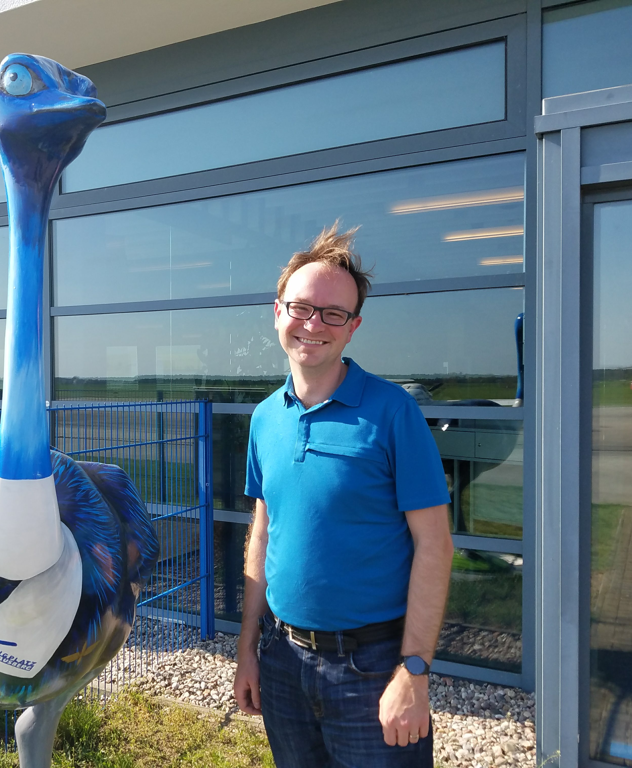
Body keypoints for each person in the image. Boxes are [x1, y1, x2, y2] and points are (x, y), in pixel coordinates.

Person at [233, 224, 454, 768]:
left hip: (373, 669)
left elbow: (435, 546)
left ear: (353, 328)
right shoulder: (265, 419)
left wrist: (414, 672)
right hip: (282, 660)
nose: (315, 324)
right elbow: (264, 530)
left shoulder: (393, 413)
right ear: (278, 312)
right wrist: (246, 648)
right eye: (302, 307)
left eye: (334, 314)